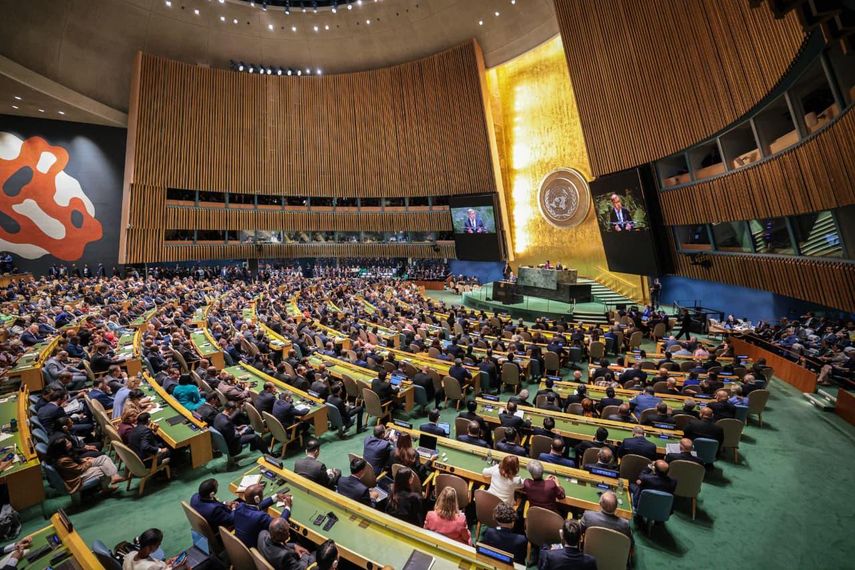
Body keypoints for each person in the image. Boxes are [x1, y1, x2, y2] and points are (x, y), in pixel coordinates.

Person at [45, 433, 125, 493]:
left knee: (103, 459)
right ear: (61, 448)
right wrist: (89, 462)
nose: (69, 442)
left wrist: (83, 459)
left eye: (68, 441)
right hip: (76, 479)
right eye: (67, 443)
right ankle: (107, 486)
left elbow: (74, 462)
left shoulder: (62, 455)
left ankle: (114, 476)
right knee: (102, 468)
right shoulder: (63, 460)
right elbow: (79, 469)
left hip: (76, 473)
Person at [234, 483, 291, 548]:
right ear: (257, 499)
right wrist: (287, 507)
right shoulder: (261, 517)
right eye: (262, 493)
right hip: (255, 548)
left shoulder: (240, 506)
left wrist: (275, 497)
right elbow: (280, 524)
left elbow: (255, 506)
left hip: (239, 545)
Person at [122, 528, 188, 570]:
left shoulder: (131, 554)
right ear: (149, 547)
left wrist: (166, 563)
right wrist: (175, 567)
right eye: (158, 544)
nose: (159, 545)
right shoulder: (149, 567)